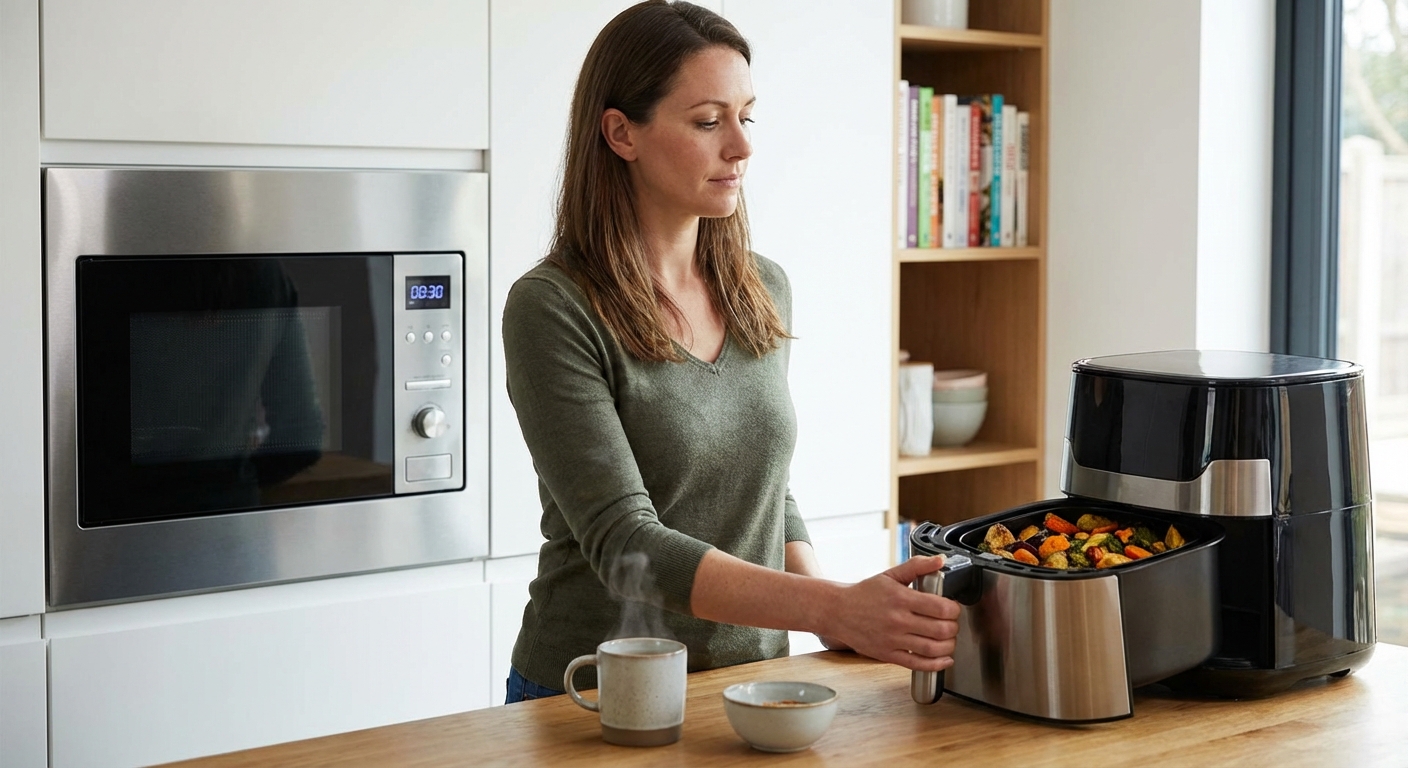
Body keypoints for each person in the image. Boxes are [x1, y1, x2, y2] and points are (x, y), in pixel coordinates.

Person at [502, 0, 958, 704]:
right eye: (708, 121)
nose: (741, 146)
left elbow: (765, 487)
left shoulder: (761, 286)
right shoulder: (552, 307)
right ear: (621, 133)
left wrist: (835, 613)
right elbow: (626, 545)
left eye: (747, 116)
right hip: (599, 691)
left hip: (754, 685)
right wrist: (829, 607)